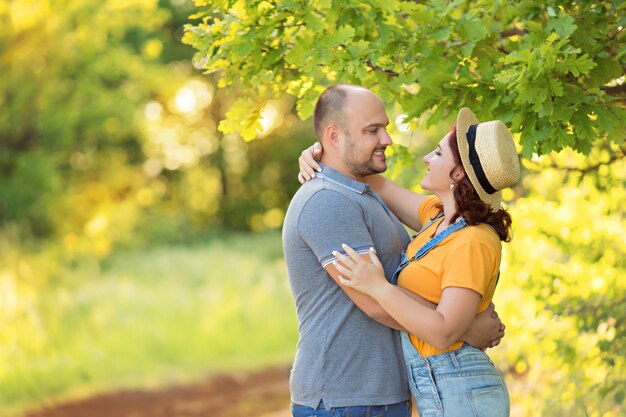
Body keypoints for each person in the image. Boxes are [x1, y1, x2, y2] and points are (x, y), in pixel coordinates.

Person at [283, 84, 505, 417]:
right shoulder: (327, 201)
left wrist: (450, 325)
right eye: (373, 130)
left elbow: (391, 283)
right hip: (345, 397)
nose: (387, 139)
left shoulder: (398, 205)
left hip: (384, 394)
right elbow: (373, 299)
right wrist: (461, 328)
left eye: (384, 127)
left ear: (459, 173)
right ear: (335, 136)